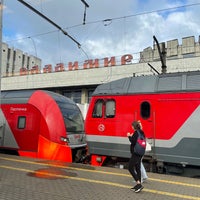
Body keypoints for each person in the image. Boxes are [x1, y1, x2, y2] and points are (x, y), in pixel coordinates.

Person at [127, 120, 146, 193]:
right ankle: (138, 185)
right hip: (141, 152)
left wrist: (129, 136)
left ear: (133, 127)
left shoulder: (135, 133)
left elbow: (133, 141)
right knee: (138, 168)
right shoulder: (141, 132)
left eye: (132, 126)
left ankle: (138, 183)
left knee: (130, 167)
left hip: (136, 153)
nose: (131, 127)